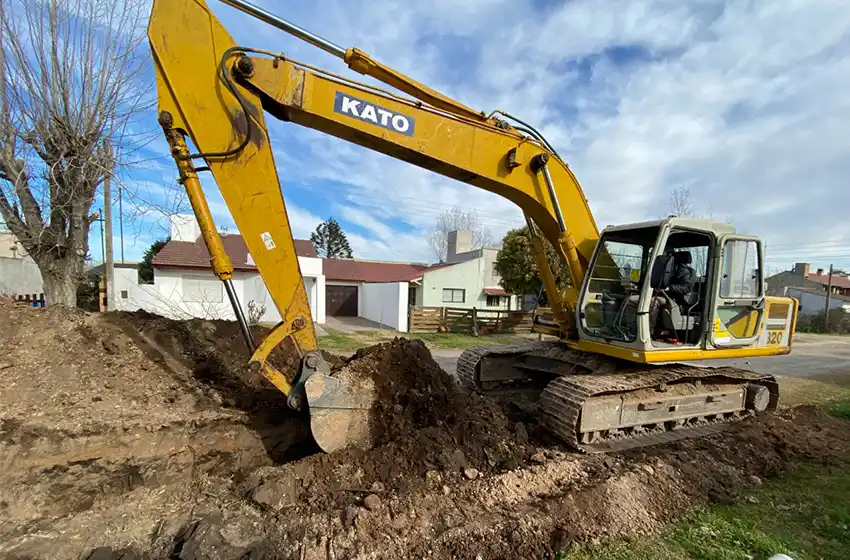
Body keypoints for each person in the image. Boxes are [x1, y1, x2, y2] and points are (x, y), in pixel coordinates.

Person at [649, 250, 695, 337]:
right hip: (659, 294)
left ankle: (649, 331)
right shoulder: (662, 268)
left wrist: (669, 288)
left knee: (653, 302)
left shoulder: (683, 270)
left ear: (670, 255)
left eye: (665, 254)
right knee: (631, 300)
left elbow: (686, 288)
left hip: (673, 298)